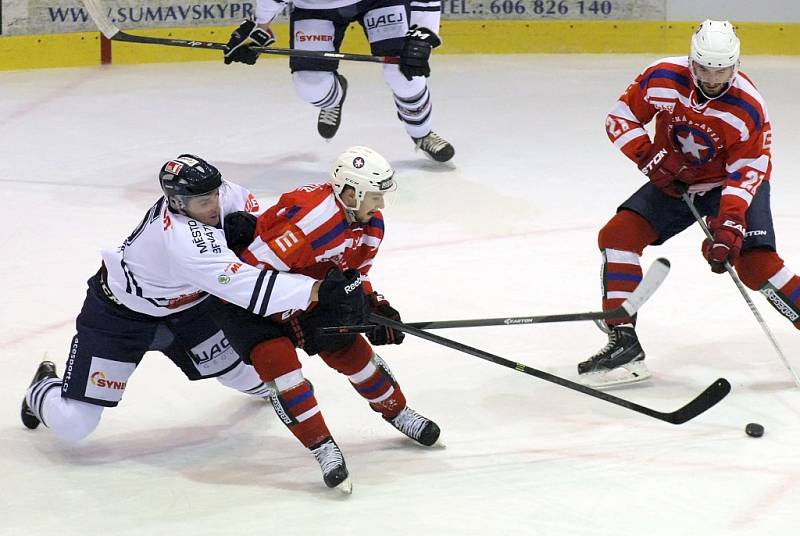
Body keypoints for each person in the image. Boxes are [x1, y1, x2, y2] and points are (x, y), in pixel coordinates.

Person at [21, 154, 360, 442]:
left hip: (191, 310)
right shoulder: (182, 240)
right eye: (203, 202)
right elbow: (243, 285)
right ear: (178, 203)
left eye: (214, 194)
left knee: (256, 382)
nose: (214, 205)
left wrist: (252, 227)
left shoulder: (222, 196)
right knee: (74, 425)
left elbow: (252, 219)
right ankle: (42, 388)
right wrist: (316, 292)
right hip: (120, 318)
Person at [579, 19, 800, 388]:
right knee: (618, 236)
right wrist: (650, 157)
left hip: (727, 184)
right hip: (676, 179)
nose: (713, 79)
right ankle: (624, 343)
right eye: (704, 69)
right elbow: (620, 118)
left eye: (722, 70)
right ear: (691, 61)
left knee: (755, 265)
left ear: (737, 65)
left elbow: (746, 172)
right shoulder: (663, 76)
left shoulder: (748, 107)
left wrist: (728, 226)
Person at [214, 146, 440, 493]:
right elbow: (249, 275)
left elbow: (356, 273)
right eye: (375, 196)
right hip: (249, 303)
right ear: (351, 193)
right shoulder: (311, 221)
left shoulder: (370, 223)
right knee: (282, 368)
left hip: (311, 290)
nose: (380, 206)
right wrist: (316, 290)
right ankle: (323, 447)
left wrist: (372, 305)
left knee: (352, 351)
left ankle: (399, 412)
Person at [222, 0, 455, 163]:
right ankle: (334, 97)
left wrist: (424, 31)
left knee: (405, 74)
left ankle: (422, 132)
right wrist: (259, 28)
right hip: (314, 8)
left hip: (380, 2)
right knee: (311, 86)